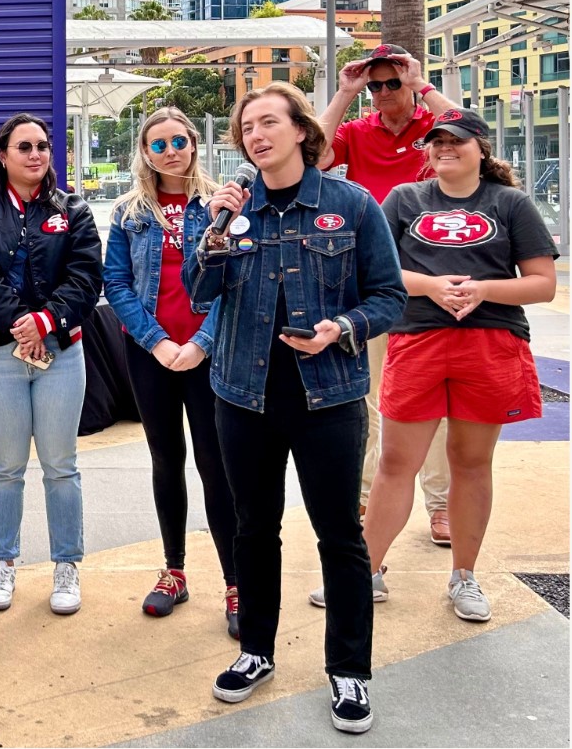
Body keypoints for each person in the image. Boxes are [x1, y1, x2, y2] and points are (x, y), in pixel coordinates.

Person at [184, 83, 407, 733]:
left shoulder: (352, 204)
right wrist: (216, 228)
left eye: (267, 122)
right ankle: (256, 650)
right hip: (242, 395)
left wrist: (341, 327)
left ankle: (350, 671)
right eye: (245, 127)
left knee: (340, 534)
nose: (255, 134)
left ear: (301, 130)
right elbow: (202, 294)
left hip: (330, 394)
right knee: (254, 528)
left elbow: (389, 297)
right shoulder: (230, 208)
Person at [355, 108, 557, 623]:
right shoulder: (404, 200)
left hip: (490, 343)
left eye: (457, 141)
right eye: (436, 142)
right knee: (396, 461)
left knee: (470, 463)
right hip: (417, 337)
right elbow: (374, 265)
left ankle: (464, 576)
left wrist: (483, 289)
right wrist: (432, 286)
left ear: (480, 148)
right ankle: (367, 573)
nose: (445, 149)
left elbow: (541, 282)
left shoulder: (510, 203)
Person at [0, 113, 102, 616]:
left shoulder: (72, 210)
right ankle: (3, 563)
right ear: (3, 156)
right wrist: (23, 323)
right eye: (24, 147)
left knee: (61, 467)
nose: (36, 154)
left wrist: (46, 321)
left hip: (61, 353)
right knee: (6, 468)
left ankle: (66, 565)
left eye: (42, 146)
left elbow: (86, 277)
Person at [102, 107, 239, 636]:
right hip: (151, 355)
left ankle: (234, 580)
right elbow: (116, 285)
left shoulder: (221, 205)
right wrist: (158, 342)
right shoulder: (130, 212)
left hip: (208, 353)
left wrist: (201, 343)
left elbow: (234, 282)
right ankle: (174, 570)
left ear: (194, 144)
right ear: (144, 152)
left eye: (177, 141)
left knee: (215, 464)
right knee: (166, 459)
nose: (169, 152)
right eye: (157, 145)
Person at [318, 43, 460, 545]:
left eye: (390, 83)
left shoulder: (435, 129)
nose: (380, 93)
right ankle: (363, 496)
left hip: (436, 278)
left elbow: (472, 133)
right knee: (372, 397)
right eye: (373, 85)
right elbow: (313, 151)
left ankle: (440, 505)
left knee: (437, 403)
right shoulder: (359, 132)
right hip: (374, 282)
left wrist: (421, 84)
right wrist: (345, 91)